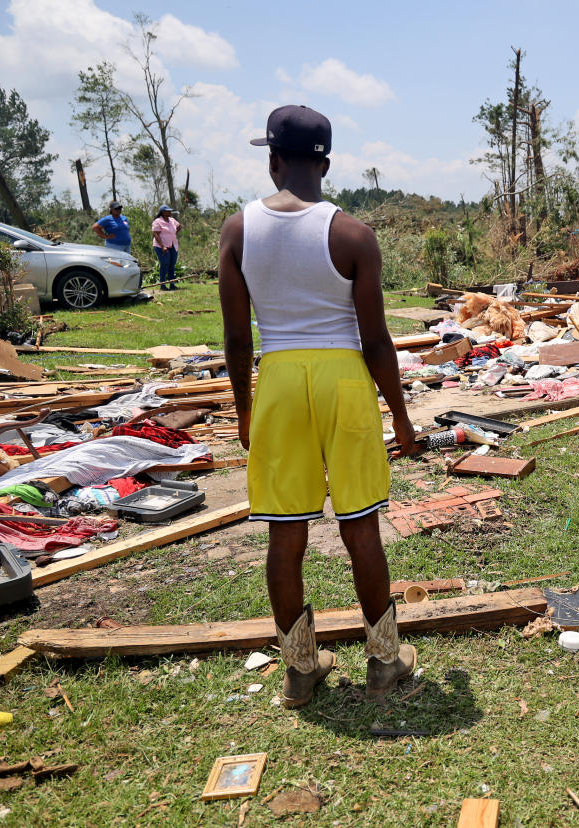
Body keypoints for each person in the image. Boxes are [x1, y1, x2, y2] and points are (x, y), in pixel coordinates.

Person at [218, 105, 419, 709]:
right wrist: (402, 420)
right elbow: (376, 340)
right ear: (325, 164)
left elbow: (236, 339)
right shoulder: (353, 234)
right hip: (342, 381)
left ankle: (301, 671)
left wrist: (243, 410)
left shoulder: (237, 230)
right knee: (360, 524)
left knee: (286, 533)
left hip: (277, 379)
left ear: (273, 159)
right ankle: (384, 661)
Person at [151, 205, 181, 290]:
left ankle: (172, 284)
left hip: (173, 245)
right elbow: (155, 234)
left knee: (172, 265)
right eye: (168, 211)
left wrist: (173, 234)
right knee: (164, 264)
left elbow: (179, 226)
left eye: (170, 211)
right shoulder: (158, 221)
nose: (170, 212)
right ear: (163, 212)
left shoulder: (172, 220)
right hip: (161, 246)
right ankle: (163, 285)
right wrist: (163, 246)